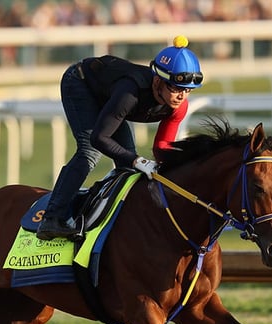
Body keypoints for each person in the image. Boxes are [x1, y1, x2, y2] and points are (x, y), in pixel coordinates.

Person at [36, 35, 204, 240]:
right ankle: (52, 219)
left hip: (110, 99)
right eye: (176, 88)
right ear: (158, 81)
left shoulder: (179, 107)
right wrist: (138, 160)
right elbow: (99, 138)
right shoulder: (130, 93)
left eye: (188, 90)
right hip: (80, 83)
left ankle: (118, 219)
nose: (182, 96)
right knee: (90, 152)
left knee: (128, 167)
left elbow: (161, 148)